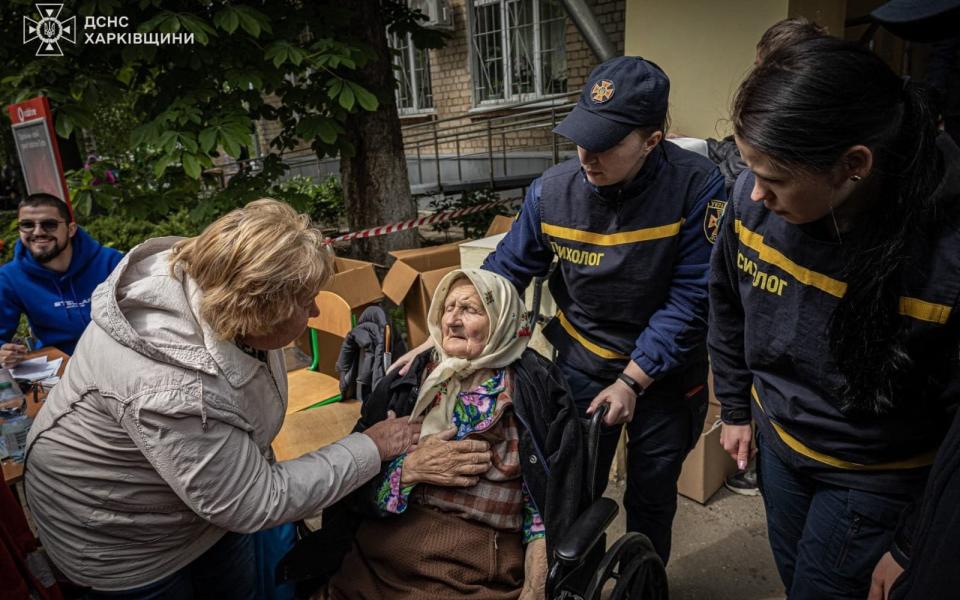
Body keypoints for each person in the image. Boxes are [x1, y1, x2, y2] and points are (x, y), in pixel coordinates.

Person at [23, 199, 422, 597]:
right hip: (122, 539)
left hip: (194, 508)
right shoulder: (172, 389)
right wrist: (371, 447)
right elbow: (253, 500)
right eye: (304, 303)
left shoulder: (218, 293)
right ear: (259, 310)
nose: (315, 311)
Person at [709, 37, 960, 600]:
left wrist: (913, 541)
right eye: (749, 168)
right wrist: (734, 407)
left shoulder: (943, 258)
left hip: (871, 478)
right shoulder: (752, 205)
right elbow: (725, 302)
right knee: (796, 575)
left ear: (853, 166)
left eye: (773, 178)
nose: (754, 194)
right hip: (779, 444)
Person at [328, 269, 587, 600]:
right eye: (447, 308)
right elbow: (358, 487)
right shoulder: (409, 382)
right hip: (384, 548)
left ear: (501, 320)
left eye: (469, 309)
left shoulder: (533, 390)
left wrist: (535, 590)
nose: (452, 320)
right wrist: (409, 471)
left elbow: (546, 507)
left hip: (472, 563)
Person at [0, 192, 122, 366]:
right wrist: (3, 352)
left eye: (49, 224)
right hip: (62, 367)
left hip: (120, 358)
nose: (38, 232)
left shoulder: (111, 262)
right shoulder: (9, 277)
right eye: (27, 225)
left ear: (71, 229)